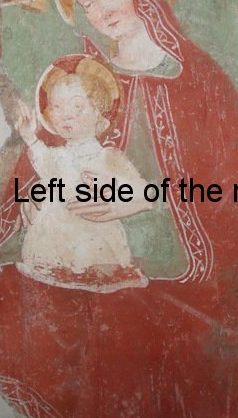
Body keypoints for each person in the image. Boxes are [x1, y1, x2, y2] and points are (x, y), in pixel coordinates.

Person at [0, 0, 238, 418]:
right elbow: (45, 155)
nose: (101, 10)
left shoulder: (200, 81)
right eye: (87, 2)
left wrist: (142, 205)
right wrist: (33, 197)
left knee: (127, 318)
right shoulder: (83, 79)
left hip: (182, 271)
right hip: (83, 255)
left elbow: (231, 191)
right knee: (20, 294)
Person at [15, 56, 149, 292]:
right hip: (54, 241)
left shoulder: (108, 157)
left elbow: (143, 193)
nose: (66, 115)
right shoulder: (58, 155)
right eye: (57, 107)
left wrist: (118, 193)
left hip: (94, 241)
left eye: (77, 107)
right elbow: (47, 166)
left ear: (99, 113)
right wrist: (30, 137)